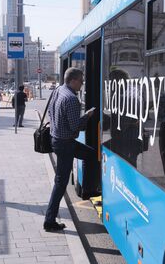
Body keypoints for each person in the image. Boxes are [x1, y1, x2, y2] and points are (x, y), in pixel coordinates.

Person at [44, 67, 94, 231]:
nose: (82, 84)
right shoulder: (72, 99)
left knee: (92, 155)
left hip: (56, 139)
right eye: (81, 80)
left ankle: (88, 190)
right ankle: (49, 221)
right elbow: (75, 127)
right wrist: (87, 116)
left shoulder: (58, 90)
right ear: (73, 80)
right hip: (66, 144)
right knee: (60, 183)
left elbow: (51, 113)